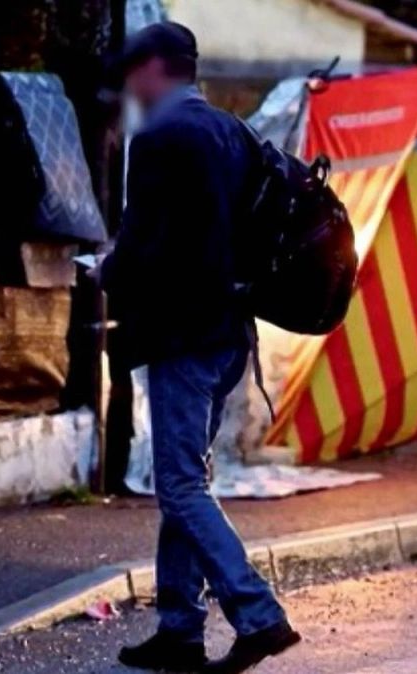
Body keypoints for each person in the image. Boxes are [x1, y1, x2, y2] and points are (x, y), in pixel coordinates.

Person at [98, 22, 300, 674]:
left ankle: (258, 613)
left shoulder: (158, 138)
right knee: (186, 479)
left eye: (136, 69)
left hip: (183, 333)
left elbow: (143, 241)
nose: (131, 82)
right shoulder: (231, 131)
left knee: (180, 483)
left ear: (157, 68)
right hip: (230, 331)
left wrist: (106, 271)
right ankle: (179, 628)